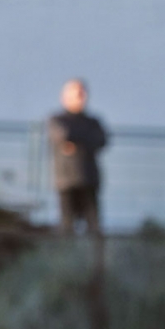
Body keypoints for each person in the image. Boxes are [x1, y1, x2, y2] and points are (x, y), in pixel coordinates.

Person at [48, 79, 108, 235]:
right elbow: (63, 135)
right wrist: (84, 141)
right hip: (66, 182)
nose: (81, 97)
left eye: (82, 94)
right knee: (66, 228)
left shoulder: (93, 122)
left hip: (89, 180)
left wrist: (76, 143)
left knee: (93, 229)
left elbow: (101, 140)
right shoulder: (57, 120)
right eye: (77, 94)